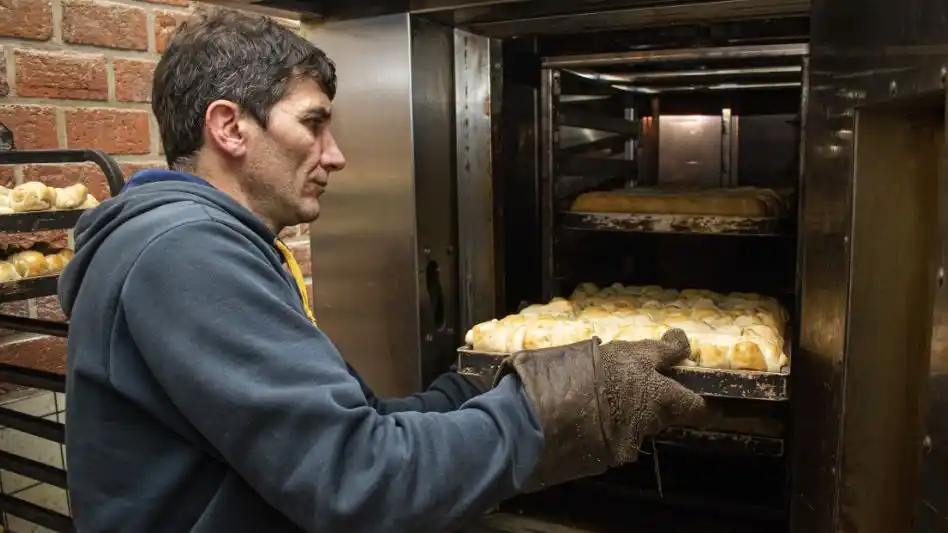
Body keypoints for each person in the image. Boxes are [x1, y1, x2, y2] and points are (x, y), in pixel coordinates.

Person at [59, 8, 707, 533]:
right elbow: (357, 480)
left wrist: (479, 385)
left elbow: (351, 427)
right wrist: (567, 407)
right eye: (313, 123)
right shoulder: (185, 257)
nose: (335, 155)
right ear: (229, 127)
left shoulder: (204, 244)